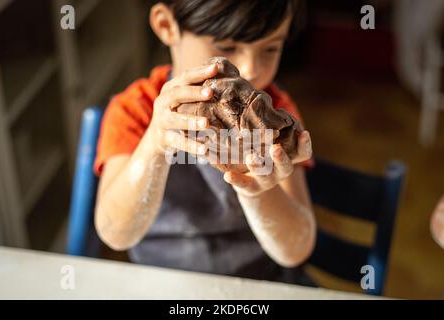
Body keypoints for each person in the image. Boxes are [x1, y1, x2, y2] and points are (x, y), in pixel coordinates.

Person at [93, 0, 316, 284]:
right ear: (166, 26)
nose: (249, 69)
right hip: (161, 282)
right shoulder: (136, 110)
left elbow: (296, 249)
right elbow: (115, 233)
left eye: (270, 49)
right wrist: (155, 145)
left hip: (256, 283)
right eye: (226, 48)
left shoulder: (275, 117)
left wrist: (257, 190)